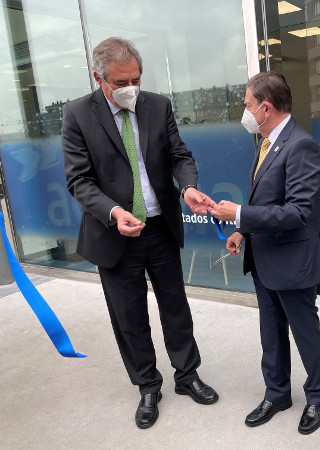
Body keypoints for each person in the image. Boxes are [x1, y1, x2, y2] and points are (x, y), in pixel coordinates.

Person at [62, 37, 218, 429]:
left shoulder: (157, 105)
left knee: (175, 306)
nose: (131, 88)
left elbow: (179, 156)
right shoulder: (77, 114)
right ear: (98, 78)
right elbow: (79, 180)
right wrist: (114, 212)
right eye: (121, 82)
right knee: (129, 316)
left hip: (160, 227)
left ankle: (187, 374)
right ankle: (148, 385)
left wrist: (188, 186)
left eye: (136, 78)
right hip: (115, 233)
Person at [211, 72, 320, 435]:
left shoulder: (301, 145)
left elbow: (298, 213)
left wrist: (239, 213)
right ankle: (277, 394)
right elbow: (267, 202)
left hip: (293, 263)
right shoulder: (265, 143)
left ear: (266, 108)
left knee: (305, 333)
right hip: (263, 260)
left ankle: (317, 396)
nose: (245, 111)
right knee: (271, 334)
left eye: (248, 105)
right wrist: (242, 231)